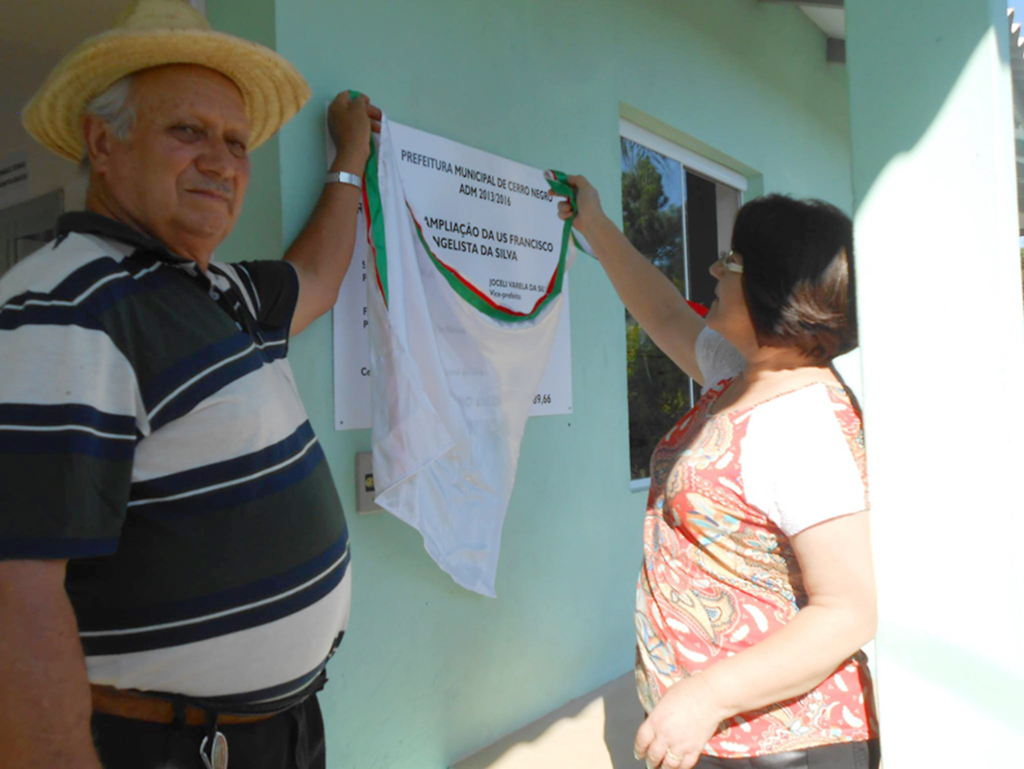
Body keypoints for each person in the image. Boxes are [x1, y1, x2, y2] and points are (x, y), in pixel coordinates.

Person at [0, 1, 380, 767]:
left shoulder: (217, 291)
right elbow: (17, 602)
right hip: (160, 746)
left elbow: (319, 276)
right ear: (102, 143)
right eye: (188, 131)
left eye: (236, 141)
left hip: (275, 732)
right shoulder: (63, 307)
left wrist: (352, 155)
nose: (222, 161)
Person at [555, 177, 879, 769]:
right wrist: (595, 224)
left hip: (782, 749)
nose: (713, 269)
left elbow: (848, 610)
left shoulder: (801, 423)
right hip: (723, 736)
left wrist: (705, 697)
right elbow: (662, 311)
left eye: (731, 261)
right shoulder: (748, 376)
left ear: (774, 284)